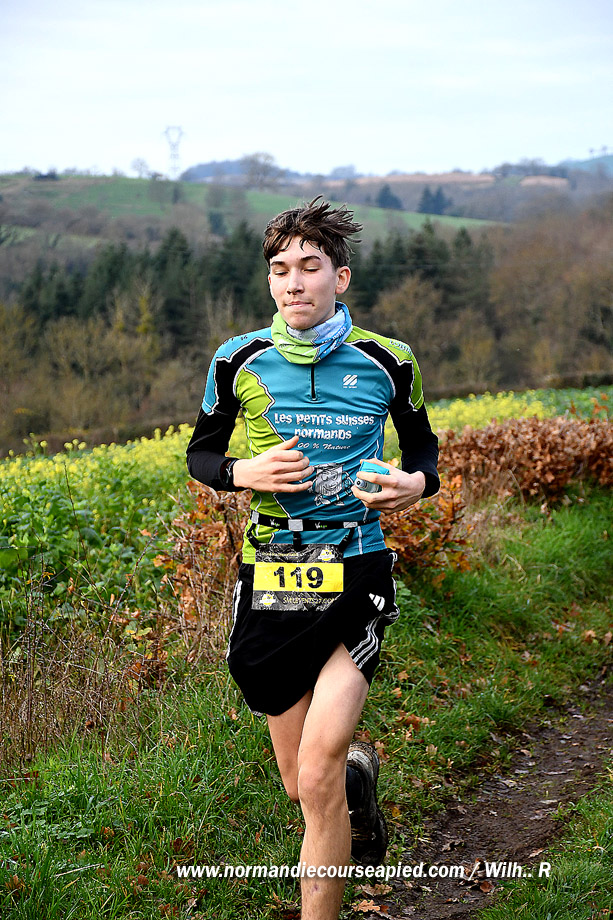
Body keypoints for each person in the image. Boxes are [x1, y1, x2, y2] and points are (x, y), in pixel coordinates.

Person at [186, 197, 439, 920]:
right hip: (273, 577)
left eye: (309, 266)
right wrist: (242, 472)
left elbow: (423, 451)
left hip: (357, 568)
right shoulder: (237, 359)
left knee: (316, 772)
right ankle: (359, 780)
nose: (292, 282)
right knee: (301, 785)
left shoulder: (389, 360)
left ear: (340, 277)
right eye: (279, 269)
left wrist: (414, 485)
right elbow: (201, 455)